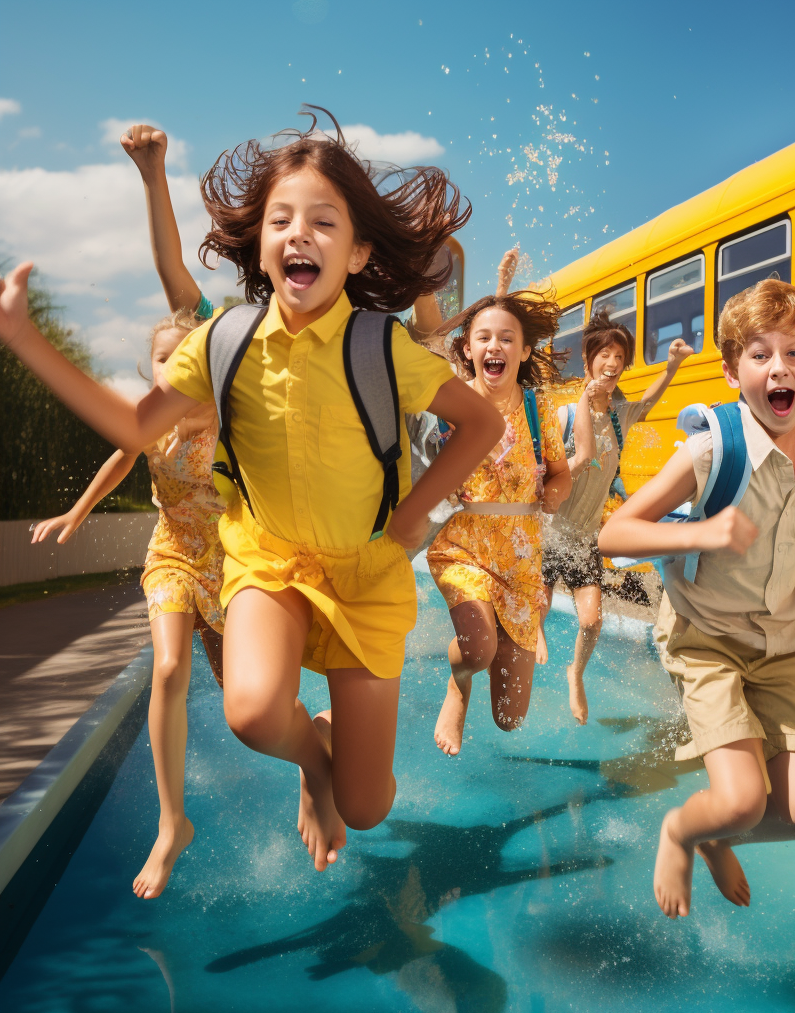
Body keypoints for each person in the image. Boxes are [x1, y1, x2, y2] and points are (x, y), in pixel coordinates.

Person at [0, 107, 505, 874]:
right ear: (261, 244)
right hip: (268, 559)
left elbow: (479, 427)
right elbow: (135, 427)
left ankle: (334, 750)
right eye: (282, 220)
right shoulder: (223, 341)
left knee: (368, 807)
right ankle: (311, 760)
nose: (299, 234)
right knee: (251, 711)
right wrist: (29, 344)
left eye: (324, 222)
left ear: (360, 251)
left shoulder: (381, 347)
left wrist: (409, 518)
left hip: (366, 574)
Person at [598, 278, 795, 919]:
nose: (780, 367)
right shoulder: (712, 448)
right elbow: (613, 534)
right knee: (745, 796)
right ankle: (683, 832)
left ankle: (719, 837)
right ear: (730, 372)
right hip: (709, 640)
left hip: (784, 643)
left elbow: (791, 511)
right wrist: (702, 530)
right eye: (760, 354)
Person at [32, 313, 224, 899]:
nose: (171, 366)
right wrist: (77, 512)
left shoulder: (226, 414)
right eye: (163, 358)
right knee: (167, 669)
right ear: (154, 367)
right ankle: (173, 824)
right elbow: (121, 457)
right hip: (170, 553)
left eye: (184, 355)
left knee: (248, 704)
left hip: (230, 563)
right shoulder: (152, 419)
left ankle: (311, 752)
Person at [428, 291, 572, 756]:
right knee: (478, 650)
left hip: (522, 563)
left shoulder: (537, 409)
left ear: (524, 350)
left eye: (507, 338)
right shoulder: (451, 404)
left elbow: (560, 472)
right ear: (467, 349)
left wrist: (553, 492)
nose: (496, 346)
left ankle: (480, 662)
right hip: (464, 547)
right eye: (483, 337)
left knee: (510, 718)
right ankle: (459, 684)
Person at [538, 310, 693, 724]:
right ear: (589, 362)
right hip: (550, 535)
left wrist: (672, 366)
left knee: (591, 621)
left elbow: (649, 400)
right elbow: (545, 475)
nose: (611, 362)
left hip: (586, 537)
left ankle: (576, 674)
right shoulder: (566, 415)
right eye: (603, 354)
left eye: (618, 357)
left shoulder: (620, 419)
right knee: (535, 611)